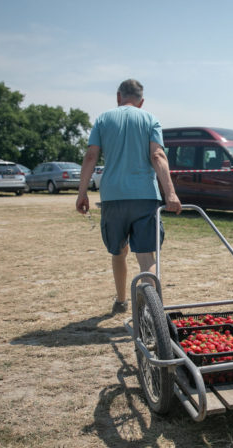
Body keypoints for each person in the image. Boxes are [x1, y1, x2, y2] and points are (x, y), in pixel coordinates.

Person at [76, 79, 182, 314]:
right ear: (141, 102)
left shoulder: (103, 119)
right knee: (146, 257)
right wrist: (171, 194)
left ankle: (122, 300)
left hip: (113, 197)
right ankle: (152, 312)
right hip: (145, 196)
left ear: (118, 97)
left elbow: (90, 157)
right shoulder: (150, 119)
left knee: (118, 251)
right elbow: (158, 156)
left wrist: (82, 193)